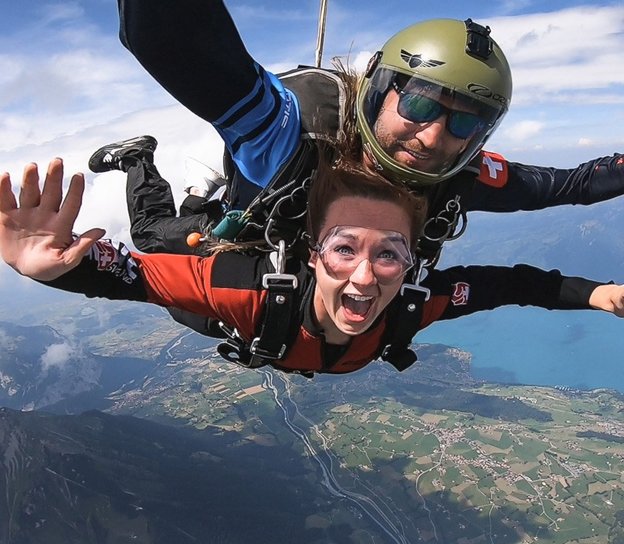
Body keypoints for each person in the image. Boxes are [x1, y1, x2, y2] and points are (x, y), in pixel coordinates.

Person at [103, 2, 624, 267]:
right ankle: (137, 159)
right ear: (380, 89)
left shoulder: (457, 175)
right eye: (418, 103)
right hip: (243, 239)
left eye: (465, 121)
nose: (432, 136)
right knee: (154, 236)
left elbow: (573, 185)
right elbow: (168, 36)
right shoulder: (295, 135)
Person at [2, 157, 623, 376]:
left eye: (390, 253)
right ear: (311, 254)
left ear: (413, 262)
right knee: (161, 239)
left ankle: (204, 204)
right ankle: (155, 169)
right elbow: (134, 275)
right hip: (229, 316)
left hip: (266, 330)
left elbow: (510, 285)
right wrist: (57, 270)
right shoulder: (245, 293)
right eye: (345, 248)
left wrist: (594, 294)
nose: (365, 276)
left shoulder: (414, 299)